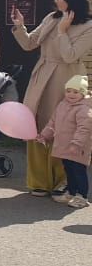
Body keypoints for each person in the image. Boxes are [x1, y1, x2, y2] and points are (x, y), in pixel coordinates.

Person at [11, 0, 92, 197]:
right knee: (36, 125)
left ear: (71, 0)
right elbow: (29, 44)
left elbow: (70, 56)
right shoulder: (51, 17)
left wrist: (63, 32)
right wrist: (20, 26)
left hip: (68, 79)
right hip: (42, 75)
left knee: (64, 128)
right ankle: (38, 180)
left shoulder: (88, 25)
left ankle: (63, 181)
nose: (55, 0)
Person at [38, 75, 92, 208]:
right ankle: (71, 192)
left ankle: (82, 196)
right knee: (69, 170)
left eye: (76, 92)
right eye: (68, 91)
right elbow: (53, 122)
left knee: (79, 171)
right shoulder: (62, 105)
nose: (71, 94)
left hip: (78, 147)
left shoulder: (84, 109)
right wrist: (44, 135)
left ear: (83, 93)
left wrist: (77, 144)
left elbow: (84, 129)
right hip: (64, 146)